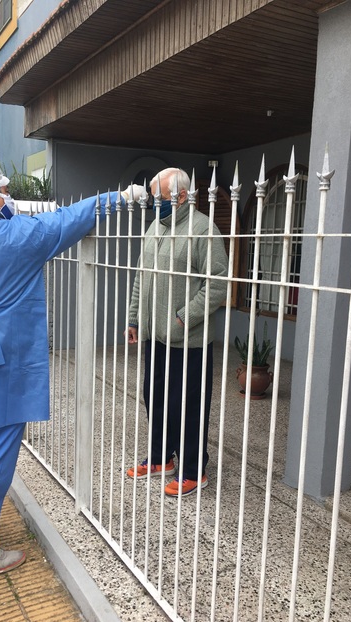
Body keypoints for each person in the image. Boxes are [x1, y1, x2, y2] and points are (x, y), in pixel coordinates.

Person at [0, 164, 145, 577]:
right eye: (4, 190)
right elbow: (68, 219)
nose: (9, 196)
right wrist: (120, 199)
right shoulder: (19, 236)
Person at [126, 167, 228, 497]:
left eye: (159, 198)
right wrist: (134, 319)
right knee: (154, 398)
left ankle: (194, 469)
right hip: (155, 336)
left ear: (180, 196)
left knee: (189, 406)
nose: (155, 203)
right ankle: (160, 459)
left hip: (189, 340)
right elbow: (142, 276)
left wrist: (184, 318)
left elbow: (218, 283)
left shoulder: (203, 230)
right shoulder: (155, 227)